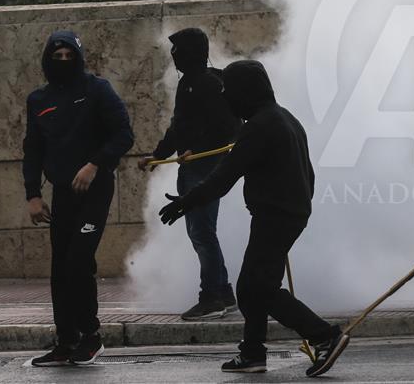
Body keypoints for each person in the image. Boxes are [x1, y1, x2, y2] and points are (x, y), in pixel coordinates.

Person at [158, 60, 348, 376]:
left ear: (244, 91)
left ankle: (324, 336)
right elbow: (308, 174)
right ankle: (253, 353)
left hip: (276, 216)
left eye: (228, 91)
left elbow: (225, 175)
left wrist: (186, 203)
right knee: (255, 286)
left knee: (255, 288)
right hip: (287, 214)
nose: (226, 99)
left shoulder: (259, 126)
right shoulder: (284, 118)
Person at [23, 31, 135, 367]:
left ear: (79, 57)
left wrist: (95, 164)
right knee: (60, 269)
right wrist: (32, 194)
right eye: (56, 57)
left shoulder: (96, 90)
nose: (62, 62)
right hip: (62, 195)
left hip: (95, 191)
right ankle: (66, 340)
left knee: (78, 261)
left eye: (68, 56)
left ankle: (91, 336)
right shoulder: (38, 100)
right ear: (47, 59)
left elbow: (124, 135)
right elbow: (33, 149)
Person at [138, 28, 240, 320]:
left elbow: (225, 127)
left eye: (178, 50)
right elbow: (178, 127)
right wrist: (159, 155)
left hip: (205, 167)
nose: (174, 57)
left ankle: (211, 298)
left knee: (202, 232)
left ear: (192, 52)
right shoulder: (188, 85)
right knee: (201, 232)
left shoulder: (207, 84)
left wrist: (196, 149)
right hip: (193, 167)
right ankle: (222, 292)